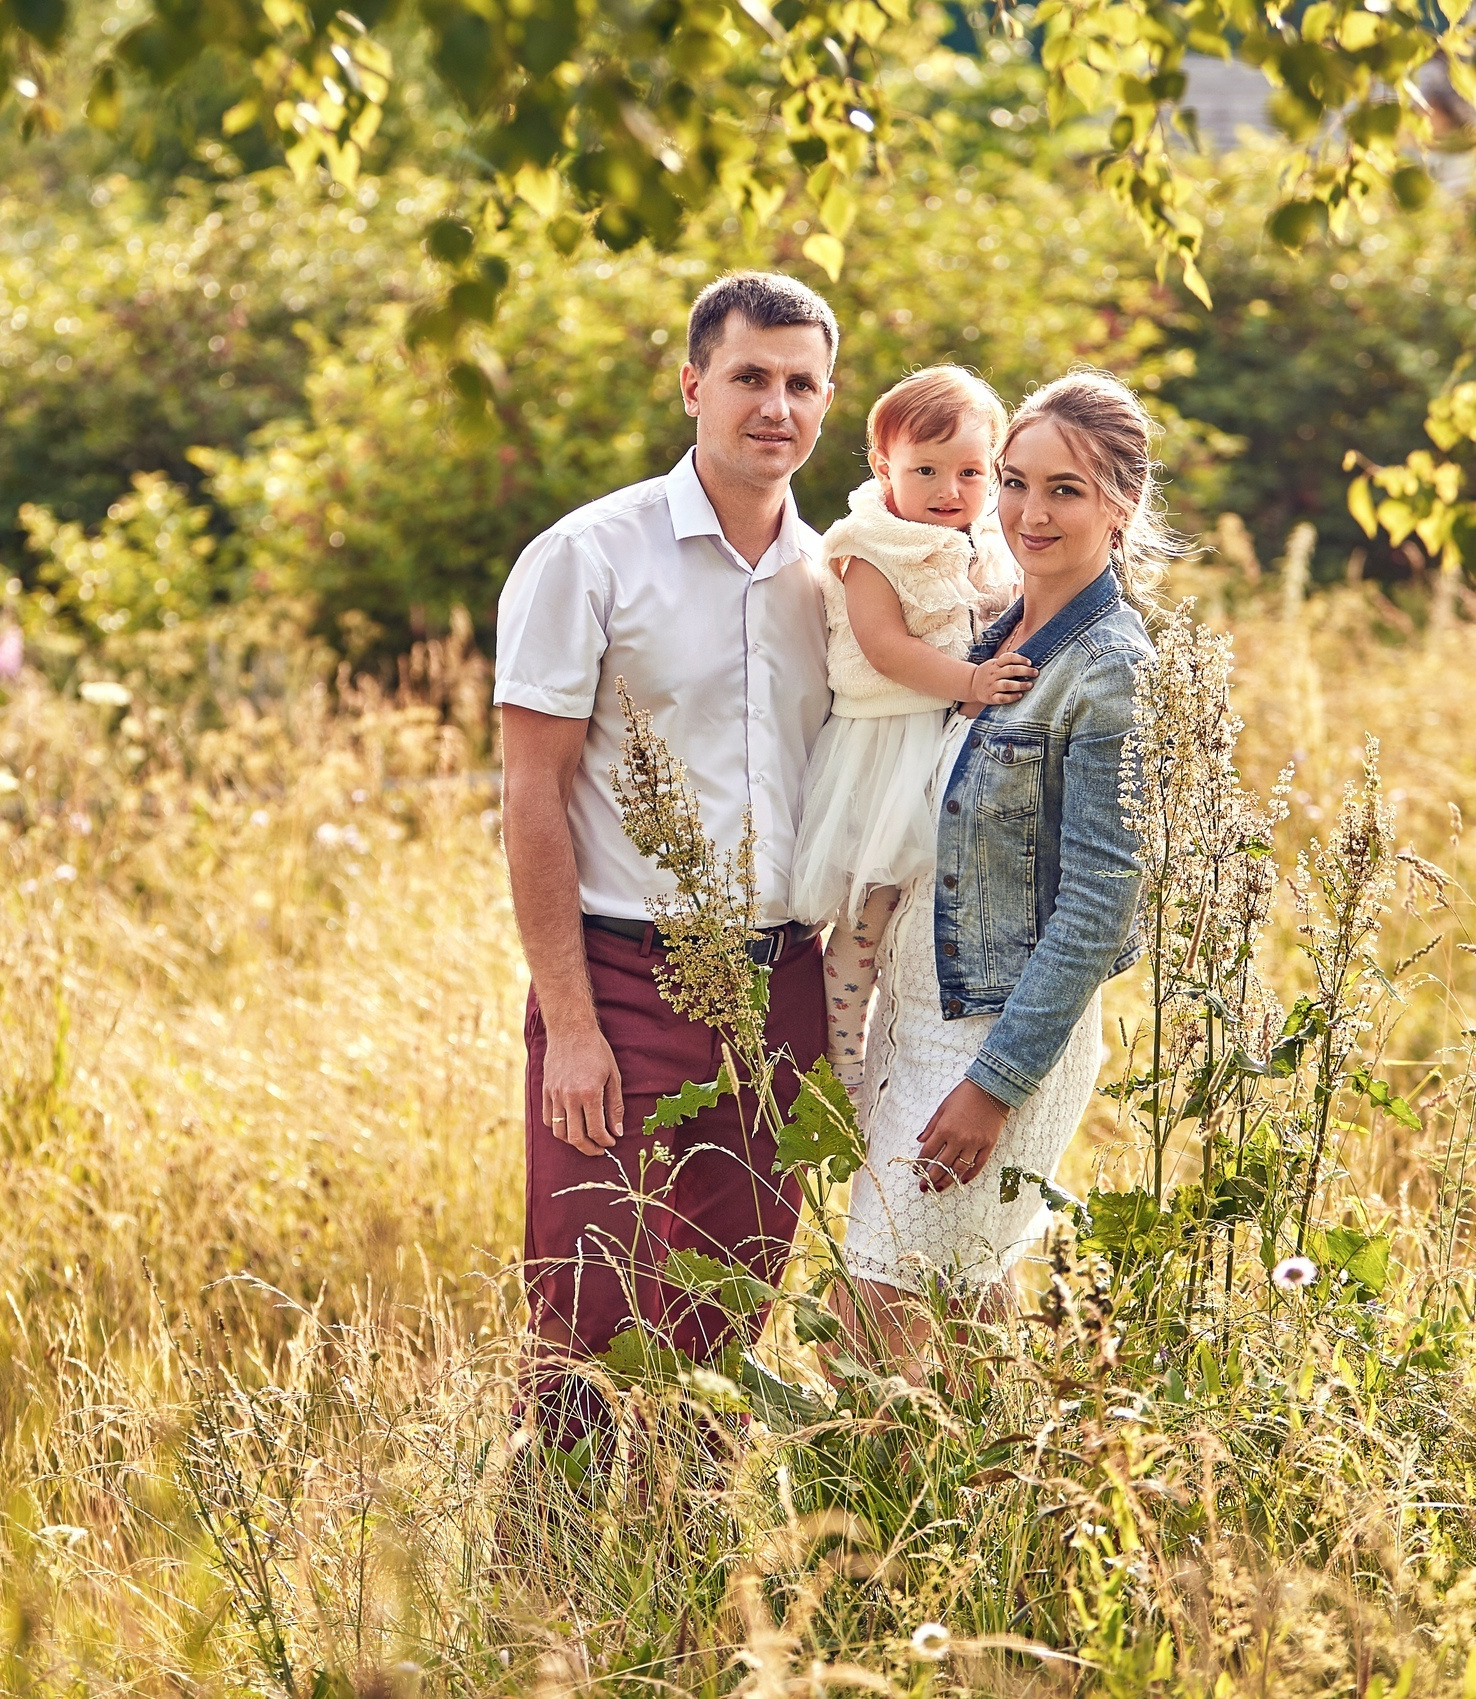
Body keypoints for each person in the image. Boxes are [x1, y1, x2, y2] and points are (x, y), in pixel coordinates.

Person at [492, 270, 839, 1451]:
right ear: (693, 385)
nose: (774, 407)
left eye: (800, 384)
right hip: (621, 975)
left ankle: (695, 1582)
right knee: (587, 1301)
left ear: (826, 401)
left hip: (782, 979)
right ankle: (545, 1588)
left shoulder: (842, 583)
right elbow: (529, 794)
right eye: (749, 378)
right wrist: (571, 1025)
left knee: (732, 1306)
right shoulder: (587, 556)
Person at [836, 369, 1169, 1369]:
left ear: (1121, 504)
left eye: (1063, 490)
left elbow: (1101, 907)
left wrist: (996, 1085)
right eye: (1014, 482)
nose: (1026, 512)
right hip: (913, 1014)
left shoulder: (1109, 665)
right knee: (961, 1319)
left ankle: (880, 1520)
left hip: (992, 1038)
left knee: (870, 1326)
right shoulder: (987, 632)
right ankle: (1018, 1517)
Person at [788, 366, 1029, 1121]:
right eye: (925, 470)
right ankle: (844, 1053)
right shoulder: (870, 545)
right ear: (882, 466)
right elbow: (886, 646)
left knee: (922, 918)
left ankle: (911, 1048)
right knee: (869, 904)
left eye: (969, 472)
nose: (948, 489)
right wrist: (971, 681)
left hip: (941, 737)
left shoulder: (981, 542)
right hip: (886, 741)